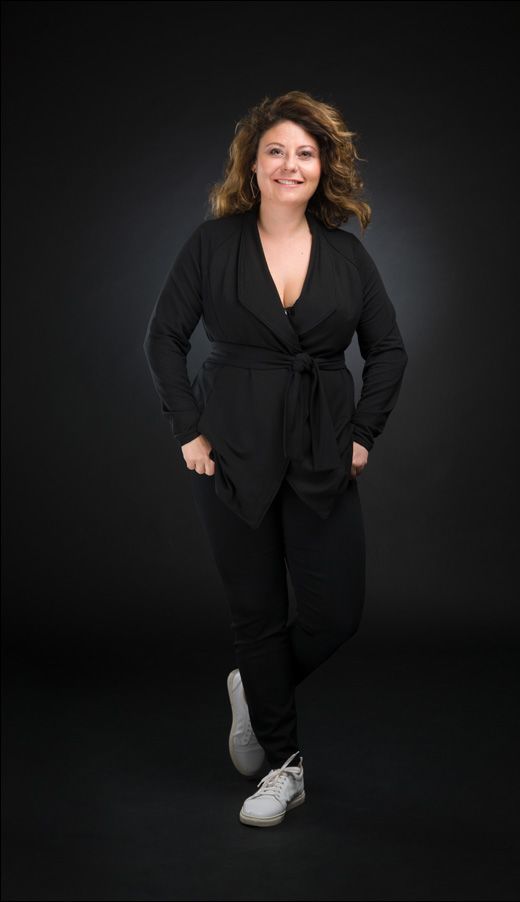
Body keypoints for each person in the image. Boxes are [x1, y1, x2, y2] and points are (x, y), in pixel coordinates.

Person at [143, 90, 409, 828]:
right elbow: (164, 337)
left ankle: (254, 688)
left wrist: (363, 433)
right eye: (276, 151)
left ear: (322, 167)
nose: (290, 164)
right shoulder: (213, 243)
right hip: (230, 451)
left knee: (337, 612)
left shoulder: (347, 255)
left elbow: (388, 350)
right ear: (253, 164)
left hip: (323, 449)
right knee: (256, 615)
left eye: (305, 153)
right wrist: (188, 431)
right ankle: (282, 769)